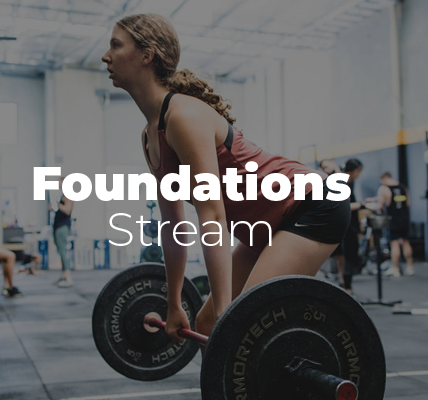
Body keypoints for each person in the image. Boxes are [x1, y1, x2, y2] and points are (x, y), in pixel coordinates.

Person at [101, 14, 351, 341]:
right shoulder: (150, 137)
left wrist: (225, 313)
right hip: (263, 226)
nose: (106, 56)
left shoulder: (183, 116)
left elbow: (212, 214)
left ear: (147, 55)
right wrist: (174, 304)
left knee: (242, 325)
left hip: (311, 205)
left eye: (116, 45)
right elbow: (173, 226)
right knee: (204, 328)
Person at [322, 159, 365, 295]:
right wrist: (362, 205)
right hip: (342, 227)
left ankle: (344, 283)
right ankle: (346, 287)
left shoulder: (347, 182)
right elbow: (342, 205)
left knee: (344, 257)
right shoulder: (338, 181)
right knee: (345, 257)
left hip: (346, 225)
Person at [369, 172, 414, 277]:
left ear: (383, 178)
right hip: (404, 219)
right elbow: (408, 204)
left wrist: (366, 205)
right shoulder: (403, 187)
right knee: (406, 242)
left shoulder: (384, 188)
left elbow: (380, 205)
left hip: (393, 220)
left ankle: (396, 268)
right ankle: (410, 267)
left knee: (394, 243)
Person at [53, 178, 75, 287]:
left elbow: (67, 210)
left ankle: (67, 277)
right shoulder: (63, 195)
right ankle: (63, 276)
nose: (58, 184)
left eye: (60, 182)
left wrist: (58, 205)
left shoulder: (68, 195)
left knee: (62, 251)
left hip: (63, 227)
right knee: (60, 251)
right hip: (58, 226)